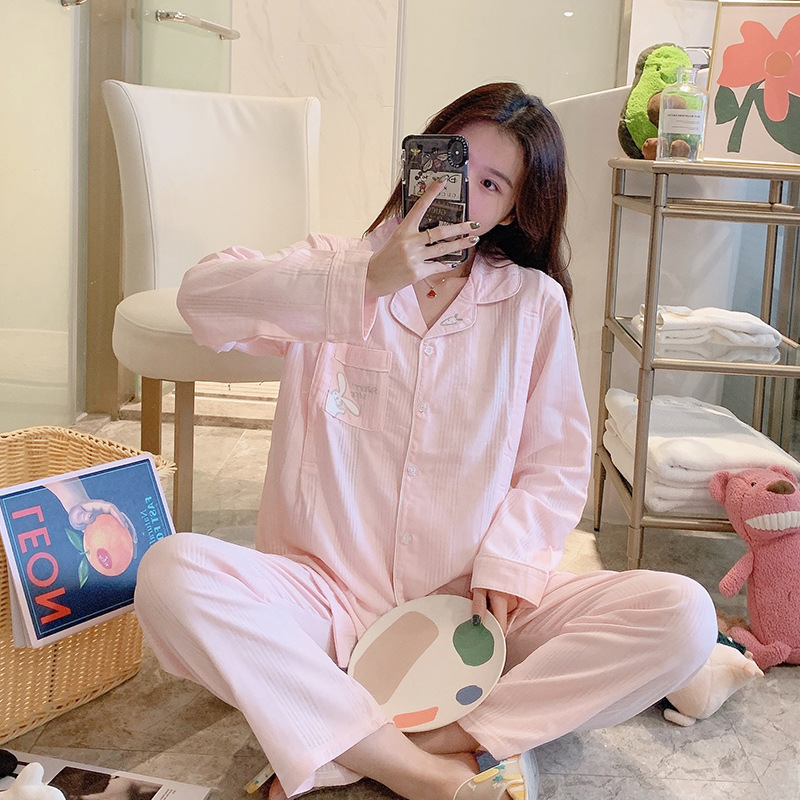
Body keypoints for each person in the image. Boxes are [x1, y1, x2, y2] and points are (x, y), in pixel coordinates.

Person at [133, 82, 717, 800]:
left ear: (514, 210)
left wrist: (509, 563)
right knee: (170, 574)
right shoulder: (333, 265)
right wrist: (366, 279)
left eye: (491, 183)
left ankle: (413, 738)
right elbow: (202, 300)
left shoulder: (531, 304)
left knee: (683, 616)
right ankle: (413, 769)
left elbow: (554, 464)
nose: (461, 192)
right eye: (454, 163)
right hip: (324, 604)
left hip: (470, 613)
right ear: (419, 159)